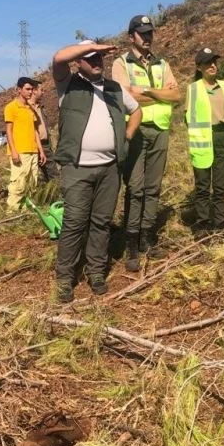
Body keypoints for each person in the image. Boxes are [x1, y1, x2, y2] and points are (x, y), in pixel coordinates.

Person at [52, 40, 141, 301]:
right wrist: (92, 46)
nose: (95, 62)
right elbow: (58, 58)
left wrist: (126, 135)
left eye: (98, 58)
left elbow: (136, 111)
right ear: (78, 61)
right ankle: (65, 278)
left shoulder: (114, 89)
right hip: (77, 168)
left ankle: (97, 272)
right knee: (74, 223)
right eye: (90, 58)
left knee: (101, 223)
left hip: (109, 168)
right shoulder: (67, 84)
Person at [111, 15, 180, 270]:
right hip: (136, 130)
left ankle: (147, 237)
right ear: (131, 37)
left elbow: (175, 95)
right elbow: (124, 95)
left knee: (153, 187)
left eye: (150, 33)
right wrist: (159, 94)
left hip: (160, 129)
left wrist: (147, 92)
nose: (147, 37)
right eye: (142, 33)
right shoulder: (121, 64)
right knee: (136, 188)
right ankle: (131, 241)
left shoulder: (162, 63)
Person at [185, 48, 224, 237]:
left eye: (214, 62)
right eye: (208, 63)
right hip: (202, 142)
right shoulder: (193, 89)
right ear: (199, 67)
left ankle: (220, 224)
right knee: (202, 186)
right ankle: (201, 225)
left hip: (222, 138)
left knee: (220, 186)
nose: (213, 65)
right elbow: (188, 118)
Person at [4, 77, 46, 212]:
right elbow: (8, 131)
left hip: (33, 151)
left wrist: (41, 150)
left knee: (32, 183)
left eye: (32, 89)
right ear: (19, 90)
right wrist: (14, 151)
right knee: (18, 184)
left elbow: (34, 131)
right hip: (20, 152)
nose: (30, 92)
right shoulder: (11, 107)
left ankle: (26, 211)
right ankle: (12, 212)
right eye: (27, 89)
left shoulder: (30, 108)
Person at [28, 83, 58, 182]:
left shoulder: (41, 107)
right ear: (35, 91)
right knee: (36, 177)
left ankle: (55, 195)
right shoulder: (25, 107)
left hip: (45, 145)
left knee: (52, 174)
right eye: (42, 90)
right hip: (32, 146)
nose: (43, 92)